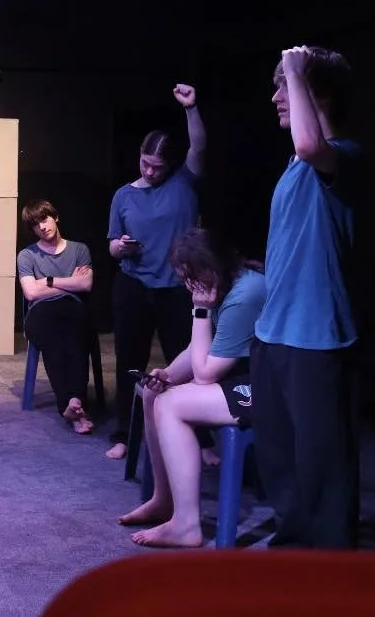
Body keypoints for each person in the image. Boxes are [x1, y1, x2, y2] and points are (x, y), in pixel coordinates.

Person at [252, 45, 362, 549]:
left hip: (317, 335)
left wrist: (296, 66)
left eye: (286, 85)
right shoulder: (294, 167)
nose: (276, 96)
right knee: (281, 456)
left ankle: (332, 566)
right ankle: (294, 548)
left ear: (319, 93)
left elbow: (308, 143)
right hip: (275, 331)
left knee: (323, 461)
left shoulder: (343, 155)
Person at [118, 227, 265, 547]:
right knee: (154, 392)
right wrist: (168, 373)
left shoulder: (244, 294)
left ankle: (186, 524)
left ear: (212, 265)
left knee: (172, 404)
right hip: (240, 376)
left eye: (191, 277)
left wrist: (200, 311)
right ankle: (164, 499)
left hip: (268, 387)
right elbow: (201, 350)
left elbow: (205, 374)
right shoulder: (224, 285)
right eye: (184, 279)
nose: (189, 287)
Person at [106, 84, 207, 460]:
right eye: (145, 163)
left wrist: (191, 108)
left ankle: (200, 438)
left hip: (177, 289)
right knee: (129, 362)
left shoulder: (184, 182)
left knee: (187, 364)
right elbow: (112, 245)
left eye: (157, 167)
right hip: (133, 284)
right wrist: (122, 246)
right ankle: (124, 435)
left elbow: (198, 146)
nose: (149, 170)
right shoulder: (124, 195)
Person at [17, 199, 95, 433]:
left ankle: (75, 403)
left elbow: (87, 284)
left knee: (75, 337)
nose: (42, 226)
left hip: (73, 311)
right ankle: (72, 403)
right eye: (35, 225)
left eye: (44, 219)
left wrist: (48, 281)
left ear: (55, 217)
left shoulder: (79, 249)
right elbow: (31, 292)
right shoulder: (27, 256)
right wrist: (71, 283)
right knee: (53, 338)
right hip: (41, 313)